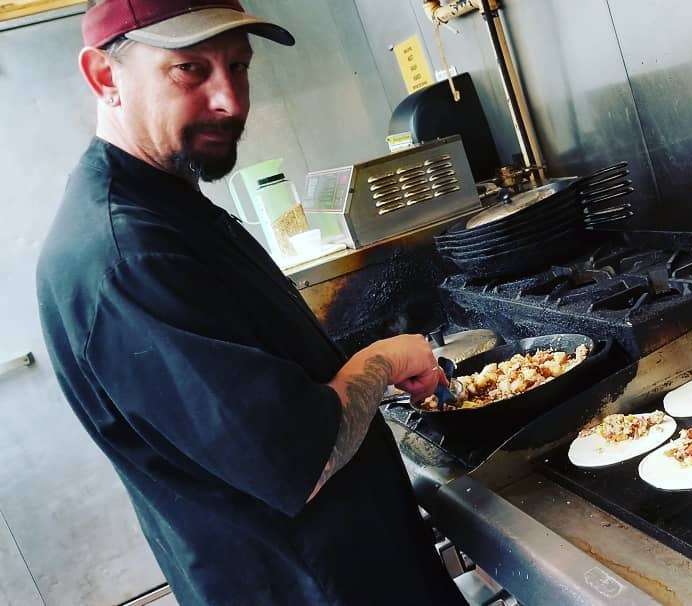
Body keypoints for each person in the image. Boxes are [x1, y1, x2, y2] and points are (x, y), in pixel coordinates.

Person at [36, 1, 465, 603]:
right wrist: (388, 360)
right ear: (106, 77)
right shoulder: (129, 257)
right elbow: (300, 460)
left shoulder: (165, 204)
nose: (231, 100)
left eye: (238, 66)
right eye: (190, 70)